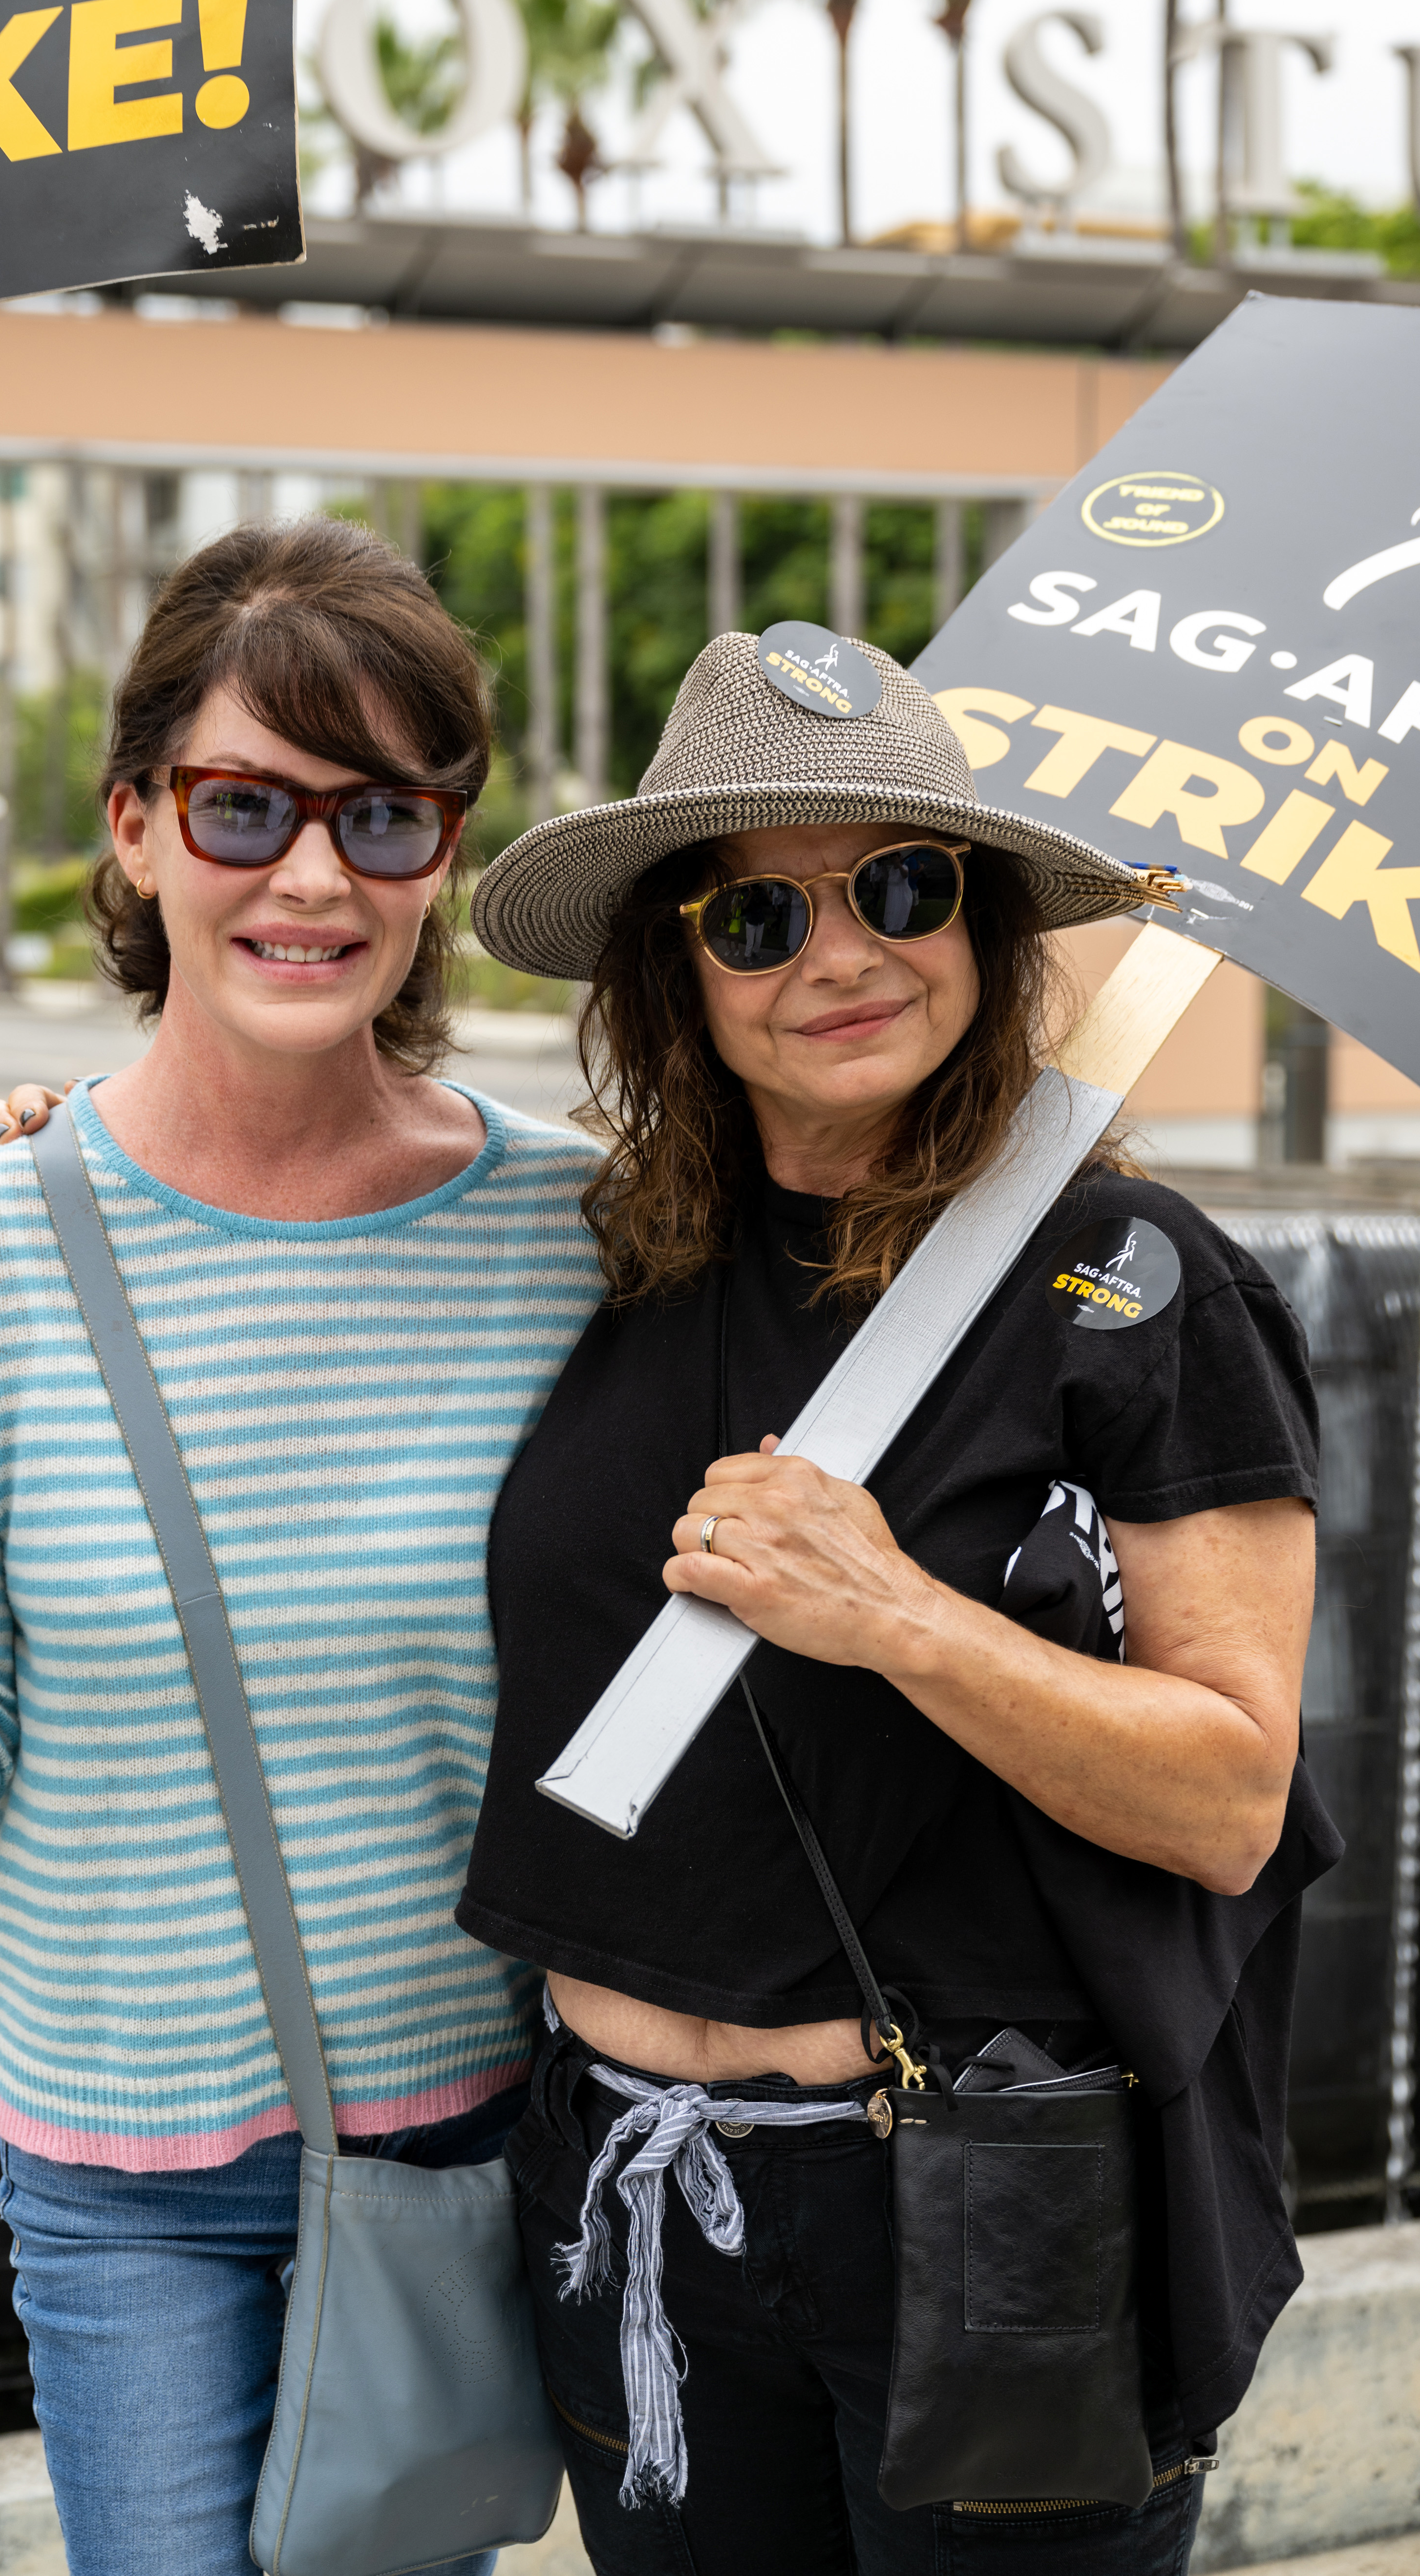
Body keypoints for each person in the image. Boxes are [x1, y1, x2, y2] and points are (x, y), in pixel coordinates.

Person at [0, 519, 602, 2576]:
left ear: (445, 857)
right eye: (244, 806)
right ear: (134, 832)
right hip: (124, 2177)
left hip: (475, 2146)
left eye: (381, 817)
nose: (311, 878)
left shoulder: (575, 1234)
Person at [445, 631, 1339, 2576]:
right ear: (678, 973)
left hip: (974, 2203)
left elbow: (1227, 1797)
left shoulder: (1131, 1279)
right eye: (757, 913)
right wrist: (23, 1158)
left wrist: (896, 1615)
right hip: (624, 2194)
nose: (840, 954)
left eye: (901, 888)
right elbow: (307, 1187)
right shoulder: (607, 1255)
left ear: (986, 919)